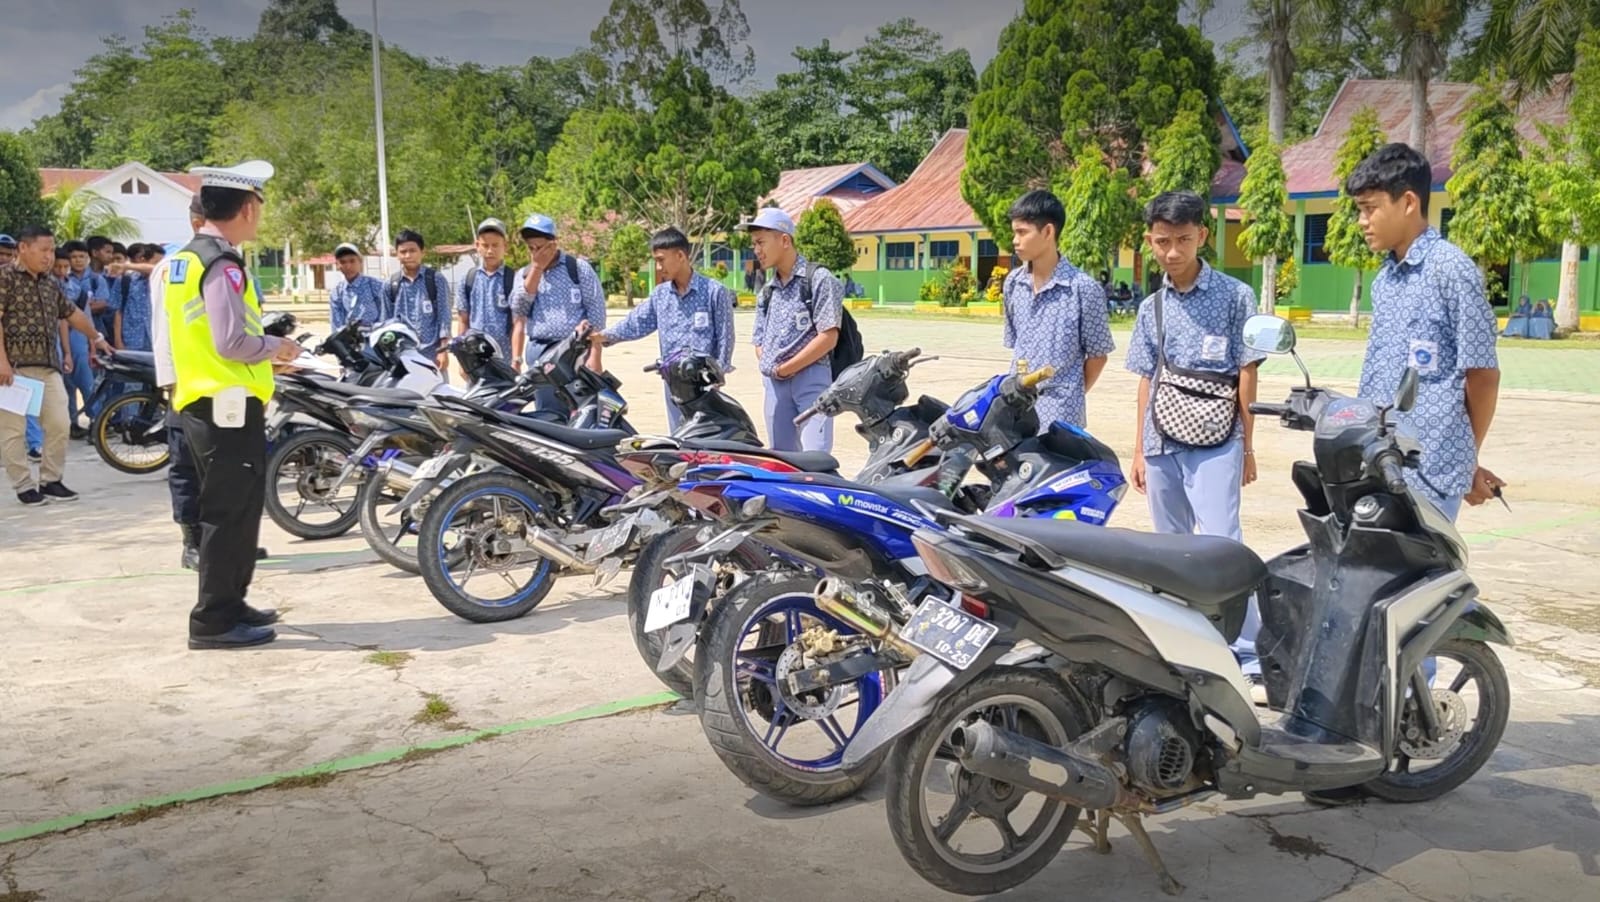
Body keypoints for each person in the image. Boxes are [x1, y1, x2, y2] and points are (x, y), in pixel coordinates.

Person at [1125, 190, 1266, 698]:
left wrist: (1247, 445)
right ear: (1149, 241)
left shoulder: (1235, 297)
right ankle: (1183, 645)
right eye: (1162, 242)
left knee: (1222, 543)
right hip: (1162, 436)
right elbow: (1146, 378)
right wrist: (1139, 449)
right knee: (1170, 548)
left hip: (1218, 439)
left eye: (1183, 240)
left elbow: (1246, 373)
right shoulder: (1151, 307)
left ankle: (1247, 652)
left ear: (1203, 236)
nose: (1172, 252)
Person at [164, 160, 300, 649]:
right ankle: (213, 620)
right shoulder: (222, 264)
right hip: (225, 404)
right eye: (259, 204)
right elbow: (230, 341)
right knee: (228, 513)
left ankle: (232, 601)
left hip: (205, 401)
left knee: (236, 510)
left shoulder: (186, 258)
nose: (259, 213)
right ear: (246, 206)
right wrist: (277, 349)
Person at [0, 225, 113, 506]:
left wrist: (96, 337)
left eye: (52, 250)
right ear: (23, 248)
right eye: (44, 250)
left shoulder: (51, 283)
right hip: (12, 369)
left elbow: (72, 313)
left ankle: (51, 480)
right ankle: (24, 486)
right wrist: (1, 362)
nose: (49, 256)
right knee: (13, 430)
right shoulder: (4, 278)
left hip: (47, 365)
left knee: (60, 423)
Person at [590, 227, 736, 428]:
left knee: (705, 438)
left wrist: (718, 376)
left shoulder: (714, 291)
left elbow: (725, 337)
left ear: (680, 255)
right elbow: (636, 323)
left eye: (661, 260)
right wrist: (603, 336)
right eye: (656, 261)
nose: (658, 267)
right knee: (678, 439)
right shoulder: (661, 295)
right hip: (673, 382)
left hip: (704, 383)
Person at [1000, 190, 1115, 430]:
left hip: (1060, 414)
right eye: (1014, 232)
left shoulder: (1083, 289)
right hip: (1015, 409)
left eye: (1022, 232)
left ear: (1048, 232)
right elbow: (1015, 344)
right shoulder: (1013, 284)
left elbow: (1098, 356)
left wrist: (1070, 393)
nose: (1015, 240)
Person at [746, 208, 842, 452]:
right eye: (754, 244)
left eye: (761, 242)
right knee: (782, 458)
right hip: (775, 385)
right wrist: (773, 367)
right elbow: (759, 340)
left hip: (812, 380)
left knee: (815, 458)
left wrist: (788, 367)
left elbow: (828, 336)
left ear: (785, 240)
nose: (757, 250)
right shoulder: (768, 291)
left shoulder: (819, 279)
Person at [509, 212, 606, 379]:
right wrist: (537, 269)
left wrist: (595, 354)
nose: (535, 253)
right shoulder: (524, 275)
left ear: (553, 244)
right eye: (531, 248)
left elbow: (596, 313)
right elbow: (519, 309)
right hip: (540, 351)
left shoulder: (577, 268)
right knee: (546, 404)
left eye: (540, 248)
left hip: (574, 350)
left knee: (577, 402)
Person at [387, 229, 453, 373]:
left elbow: (444, 315)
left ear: (423, 252)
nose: (408, 255)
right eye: (403, 252)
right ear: (397, 254)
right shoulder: (391, 284)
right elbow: (387, 320)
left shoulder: (435, 279)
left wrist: (443, 350)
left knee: (436, 394)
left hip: (432, 354)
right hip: (402, 355)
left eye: (413, 250)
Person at [61, 240, 108, 437]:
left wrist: (92, 343)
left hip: (81, 335)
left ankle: (97, 421)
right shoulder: (59, 280)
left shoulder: (94, 280)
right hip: (60, 337)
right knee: (66, 384)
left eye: (82, 256)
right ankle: (71, 423)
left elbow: (98, 307)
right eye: (73, 257)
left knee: (87, 381)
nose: (77, 261)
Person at [454, 218, 517, 362]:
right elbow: (463, 320)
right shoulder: (468, 279)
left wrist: (516, 360)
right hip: (475, 356)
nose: (490, 251)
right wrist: (462, 358)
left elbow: (517, 323)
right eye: (485, 245)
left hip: (504, 356)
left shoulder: (513, 279)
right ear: (477, 246)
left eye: (495, 245)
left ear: (505, 246)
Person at [112, 243, 162, 351]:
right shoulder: (125, 281)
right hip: (131, 340)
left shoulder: (163, 281)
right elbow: (118, 312)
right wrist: (118, 340)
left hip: (156, 340)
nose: (160, 267)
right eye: (156, 263)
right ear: (142, 260)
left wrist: (126, 266)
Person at [328, 243, 387, 330]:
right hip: (350, 340)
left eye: (352, 261)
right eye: (343, 262)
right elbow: (337, 325)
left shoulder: (376, 285)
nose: (348, 266)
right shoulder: (337, 292)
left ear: (360, 262)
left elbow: (386, 315)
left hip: (375, 337)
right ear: (337, 265)